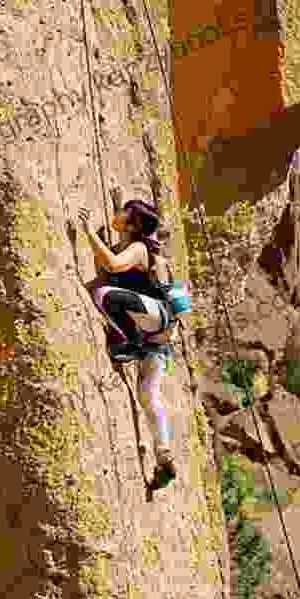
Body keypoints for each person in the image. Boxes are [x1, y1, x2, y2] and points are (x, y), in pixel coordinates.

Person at [78, 199, 178, 486]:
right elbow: (115, 253)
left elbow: (113, 263)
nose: (117, 213)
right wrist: (116, 200)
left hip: (153, 320)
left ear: (133, 224)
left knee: (104, 296)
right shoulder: (132, 243)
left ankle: (131, 345)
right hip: (157, 336)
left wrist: (87, 231)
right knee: (148, 395)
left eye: (123, 211)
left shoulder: (138, 248)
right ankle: (164, 456)